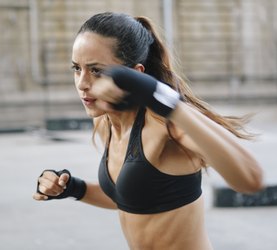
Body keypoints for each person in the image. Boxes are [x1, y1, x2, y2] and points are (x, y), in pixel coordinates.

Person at [33, 12, 264, 249]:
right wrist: (73, 188)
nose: (82, 83)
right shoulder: (105, 122)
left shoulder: (167, 125)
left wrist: (164, 100)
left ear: (135, 74)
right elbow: (129, 199)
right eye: (76, 68)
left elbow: (251, 179)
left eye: (96, 70)